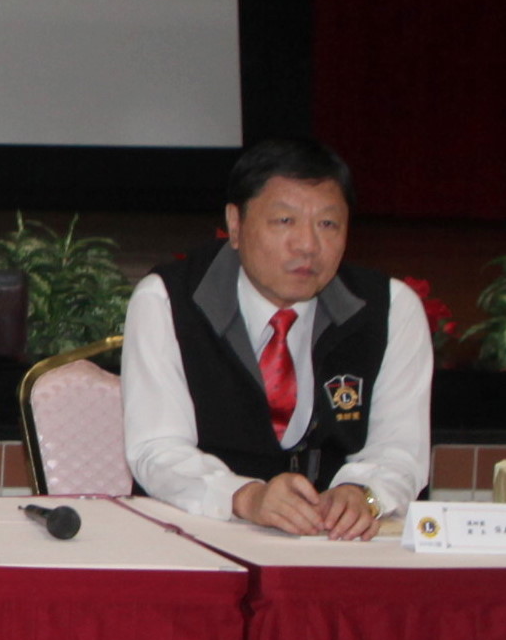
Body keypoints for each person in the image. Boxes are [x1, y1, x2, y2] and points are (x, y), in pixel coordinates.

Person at [122, 137, 430, 539]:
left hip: (336, 544)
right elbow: (157, 449)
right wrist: (245, 497)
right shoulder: (167, 300)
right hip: (201, 534)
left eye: (328, 224)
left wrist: (362, 494)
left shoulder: (390, 308)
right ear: (235, 224)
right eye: (285, 221)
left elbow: (400, 449)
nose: (308, 245)